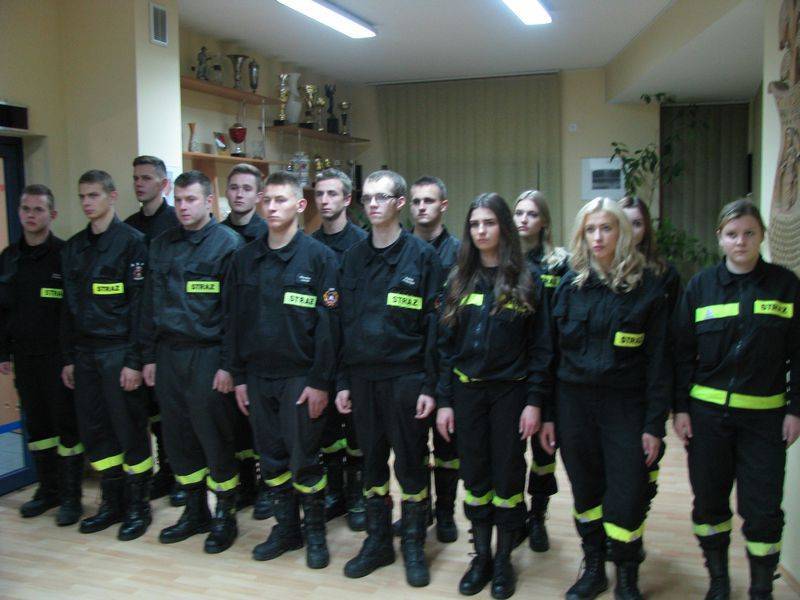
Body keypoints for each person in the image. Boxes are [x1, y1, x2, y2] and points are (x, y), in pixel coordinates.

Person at [673, 199, 800, 600]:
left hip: (765, 421)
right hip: (707, 419)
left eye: (749, 233)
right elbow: (681, 353)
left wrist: (796, 409)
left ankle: (761, 588)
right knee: (709, 505)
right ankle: (718, 580)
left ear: (762, 236)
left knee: (763, 510)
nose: (740, 241)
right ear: (720, 238)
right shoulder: (701, 287)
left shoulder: (785, 286)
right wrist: (680, 409)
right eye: (732, 234)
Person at [547, 197, 671, 600]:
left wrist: (654, 425)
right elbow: (550, 355)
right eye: (590, 229)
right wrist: (548, 414)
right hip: (574, 404)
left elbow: (659, 364)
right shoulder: (569, 285)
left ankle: (628, 575)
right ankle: (594, 567)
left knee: (628, 493)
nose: (598, 237)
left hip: (625, 406)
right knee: (586, 490)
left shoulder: (647, 288)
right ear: (581, 235)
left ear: (622, 232)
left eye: (606, 228)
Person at [436, 193, 551, 599]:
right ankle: (481, 556)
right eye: (474, 224)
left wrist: (534, 401)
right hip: (467, 393)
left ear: (503, 226)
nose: (481, 231)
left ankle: (503, 561)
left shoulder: (527, 279)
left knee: (507, 478)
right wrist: (444, 401)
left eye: (488, 222)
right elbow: (445, 347)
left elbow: (541, 348)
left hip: (510, 394)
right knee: (476, 478)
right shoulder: (458, 278)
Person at [336, 170, 442, 587]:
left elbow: (435, 328)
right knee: (371, 463)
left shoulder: (423, 257)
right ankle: (378, 541)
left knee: (412, 464)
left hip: (406, 378)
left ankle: (413, 544)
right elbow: (341, 324)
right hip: (363, 379)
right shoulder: (352, 258)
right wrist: (342, 381)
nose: (373, 205)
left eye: (381, 197)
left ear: (400, 203)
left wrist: (430, 385)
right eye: (367, 198)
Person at [228, 171, 339, 570]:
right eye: (267, 200)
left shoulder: (320, 258)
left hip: (300, 378)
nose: (272, 207)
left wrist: (320, 382)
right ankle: (286, 528)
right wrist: (239, 377)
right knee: (270, 459)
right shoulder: (244, 259)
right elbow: (234, 322)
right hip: (258, 377)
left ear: (300, 205)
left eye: (281, 200)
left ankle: (315, 533)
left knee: (304, 459)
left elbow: (329, 327)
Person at [140, 170, 243, 554]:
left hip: (208, 355)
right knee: (178, 438)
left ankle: (225, 515)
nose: (183, 207)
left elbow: (235, 314)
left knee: (214, 437)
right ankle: (195, 510)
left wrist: (228, 365)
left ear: (208, 201)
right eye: (179, 200)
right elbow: (150, 305)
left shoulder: (227, 245)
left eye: (191, 200)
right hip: (169, 354)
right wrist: (149, 356)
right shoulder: (162, 245)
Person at [60, 170, 152, 541]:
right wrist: (68, 357)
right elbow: (67, 308)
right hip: (85, 353)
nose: (87, 203)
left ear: (112, 197)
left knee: (129, 428)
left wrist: (134, 360)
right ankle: (111, 502)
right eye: (82, 196)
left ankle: (138, 506)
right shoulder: (73, 247)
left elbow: (140, 309)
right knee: (95, 430)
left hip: (118, 351)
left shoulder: (132, 243)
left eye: (94, 195)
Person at [0, 184, 83, 526]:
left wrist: (71, 358)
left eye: (38, 209)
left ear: (52, 214)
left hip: (58, 359)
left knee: (66, 427)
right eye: (25, 209)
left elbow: (73, 311)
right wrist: (3, 352)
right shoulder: (9, 257)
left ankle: (71, 497)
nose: (30, 215)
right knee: (37, 427)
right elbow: (2, 310)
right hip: (24, 357)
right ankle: (48, 490)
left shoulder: (64, 255)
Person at [311, 167, 368, 531]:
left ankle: (357, 494)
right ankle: (334, 492)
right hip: (322, 353)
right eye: (320, 194)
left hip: (356, 354)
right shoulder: (310, 246)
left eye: (332, 194)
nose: (325, 200)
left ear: (347, 199)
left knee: (357, 430)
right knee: (327, 431)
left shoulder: (363, 245)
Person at [124, 155, 182, 506]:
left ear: (164, 184)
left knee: (172, 412)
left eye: (146, 178)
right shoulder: (129, 228)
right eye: (135, 178)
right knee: (149, 409)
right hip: (139, 331)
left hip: (171, 332)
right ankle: (162, 471)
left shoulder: (175, 225)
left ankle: (177, 472)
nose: (139, 184)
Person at [513, 189, 568, 553]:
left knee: (545, 451)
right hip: (516, 369)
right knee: (512, 448)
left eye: (532, 214)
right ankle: (515, 513)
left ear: (544, 221)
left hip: (554, 369)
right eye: (519, 213)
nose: (524, 220)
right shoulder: (505, 261)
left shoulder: (559, 263)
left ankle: (538, 515)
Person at [619, 195, 681, 515]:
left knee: (648, 451)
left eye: (637, 223)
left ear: (646, 228)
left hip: (652, 376)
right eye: (624, 222)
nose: (630, 230)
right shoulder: (604, 271)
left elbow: (673, 335)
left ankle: (641, 505)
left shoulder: (664, 274)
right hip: (618, 378)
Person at [408, 175, 461, 544]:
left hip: (448, 362)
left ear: (443, 206)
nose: (421, 207)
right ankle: (419, 510)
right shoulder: (400, 249)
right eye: (416, 201)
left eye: (428, 201)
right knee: (412, 447)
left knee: (447, 447)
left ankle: (445, 513)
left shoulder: (461, 254)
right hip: (410, 365)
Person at [220, 163, 269, 516]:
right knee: (234, 423)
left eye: (246, 188)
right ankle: (245, 485)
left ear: (258, 195)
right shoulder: (218, 235)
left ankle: (268, 487)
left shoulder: (268, 234)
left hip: (263, 344)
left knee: (262, 425)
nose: (239, 194)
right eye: (234, 187)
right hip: (231, 341)